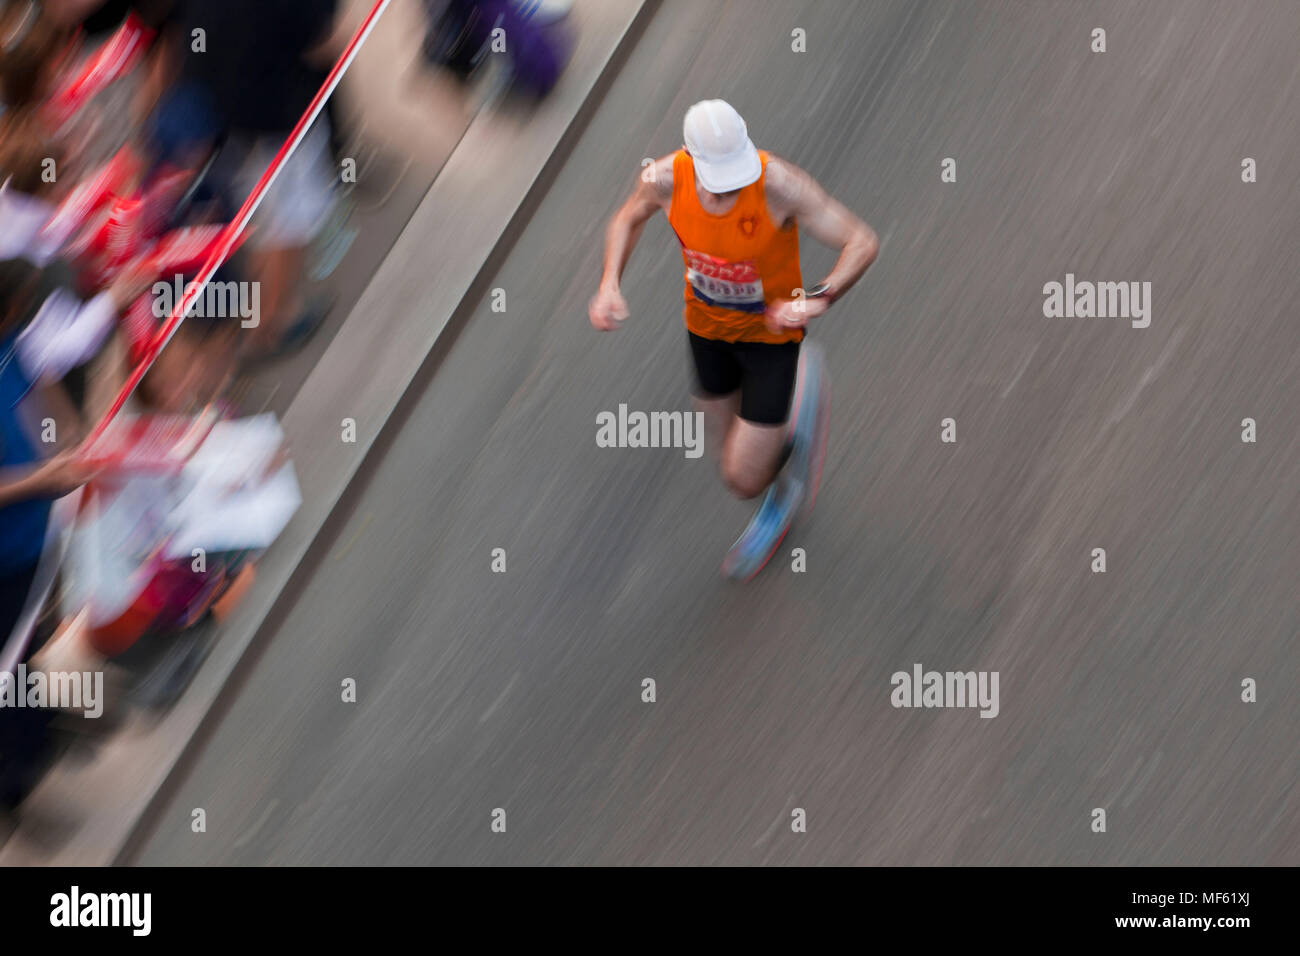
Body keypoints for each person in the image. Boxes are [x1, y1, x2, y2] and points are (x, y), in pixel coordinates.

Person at [588, 99, 878, 577]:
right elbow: (626, 218)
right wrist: (608, 283)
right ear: (690, 156)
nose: (734, 185)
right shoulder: (664, 180)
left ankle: (797, 417)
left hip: (771, 341)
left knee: (741, 479)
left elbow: (862, 241)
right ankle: (778, 469)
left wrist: (817, 298)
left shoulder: (778, 185)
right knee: (726, 456)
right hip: (707, 334)